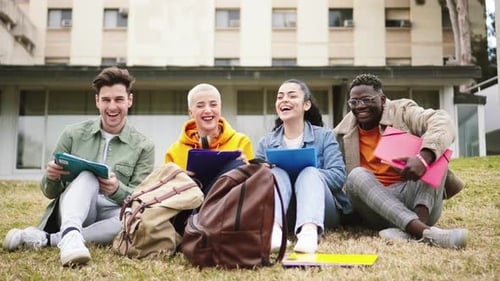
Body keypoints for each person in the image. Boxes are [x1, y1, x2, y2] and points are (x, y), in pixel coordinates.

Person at [2, 67, 155, 266]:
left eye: (118, 99)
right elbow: (49, 192)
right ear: (97, 101)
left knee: (133, 220)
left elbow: (140, 198)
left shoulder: (144, 146)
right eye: (106, 100)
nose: (112, 107)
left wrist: (117, 190)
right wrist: (52, 176)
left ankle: (53, 239)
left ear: (129, 100)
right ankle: (71, 234)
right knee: (88, 176)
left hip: (111, 216)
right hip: (72, 208)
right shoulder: (72, 134)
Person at [333, 73, 469, 249]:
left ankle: (416, 227)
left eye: (366, 100)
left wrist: (423, 158)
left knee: (435, 153)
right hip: (376, 206)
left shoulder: (402, 111)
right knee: (356, 175)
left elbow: (443, 121)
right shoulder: (342, 132)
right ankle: (425, 233)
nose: (360, 106)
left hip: (419, 202)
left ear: (382, 99)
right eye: (354, 102)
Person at [255, 79, 351, 254]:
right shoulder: (266, 142)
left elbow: (338, 176)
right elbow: (256, 184)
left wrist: (308, 175)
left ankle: (309, 233)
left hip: (321, 210)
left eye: (292, 96)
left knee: (309, 172)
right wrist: (262, 171)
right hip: (284, 210)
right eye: (280, 97)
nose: (284, 100)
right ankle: (274, 232)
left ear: (306, 105)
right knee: (276, 172)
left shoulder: (324, 136)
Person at [164, 83, 254, 232]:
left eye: (213, 104)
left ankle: (199, 222)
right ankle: (196, 223)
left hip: (227, 212)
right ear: (191, 112)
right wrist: (179, 178)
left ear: (220, 108)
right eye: (200, 106)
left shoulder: (240, 142)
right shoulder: (175, 150)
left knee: (237, 167)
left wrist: (247, 169)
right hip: (188, 209)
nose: (208, 110)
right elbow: (166, 192)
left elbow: (253, 189)